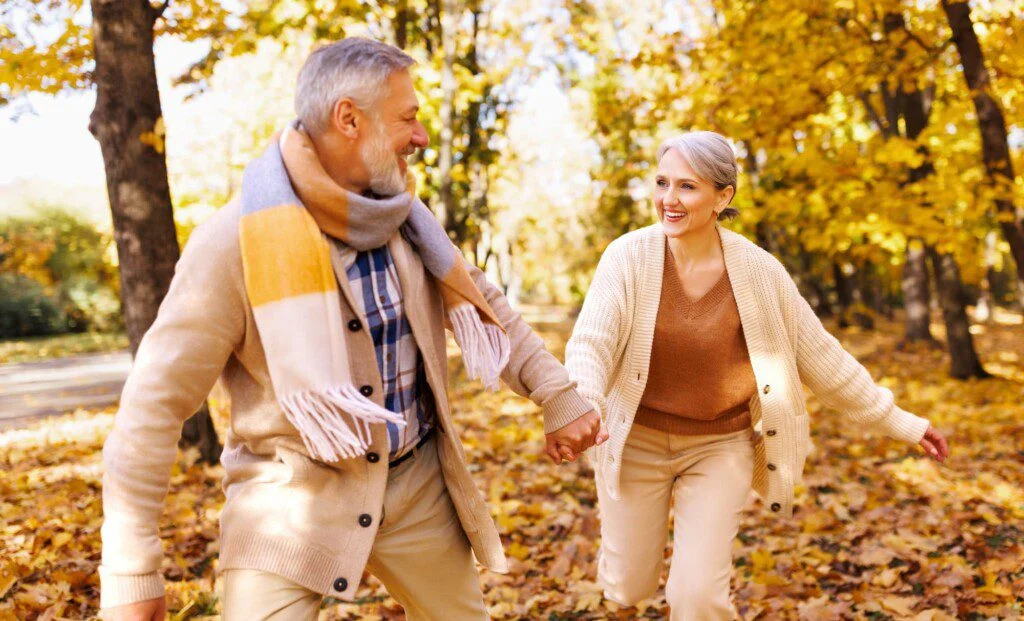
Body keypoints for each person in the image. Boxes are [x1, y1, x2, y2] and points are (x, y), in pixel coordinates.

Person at [100, 37, 606, 621]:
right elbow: (152, 405)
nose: (420, 136)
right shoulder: (232, 243)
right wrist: (130, 566)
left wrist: (558, 393)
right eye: (408, 118)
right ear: (349, 119)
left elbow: (485, 301)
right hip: (288, 500)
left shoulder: (401, 216)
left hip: (417, 484)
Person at [564, 130, 949, 619]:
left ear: (723, 196)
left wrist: (903, 424)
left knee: (697, 597)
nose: (668, 199)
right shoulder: (628, 257)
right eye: (662, 183)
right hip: (634, 440)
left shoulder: (760, 272)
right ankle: (627, 573)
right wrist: (581, 405)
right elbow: (592, 343)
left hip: (719, 447)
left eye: (687, 186)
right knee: (628, 587)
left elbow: (823, 359)